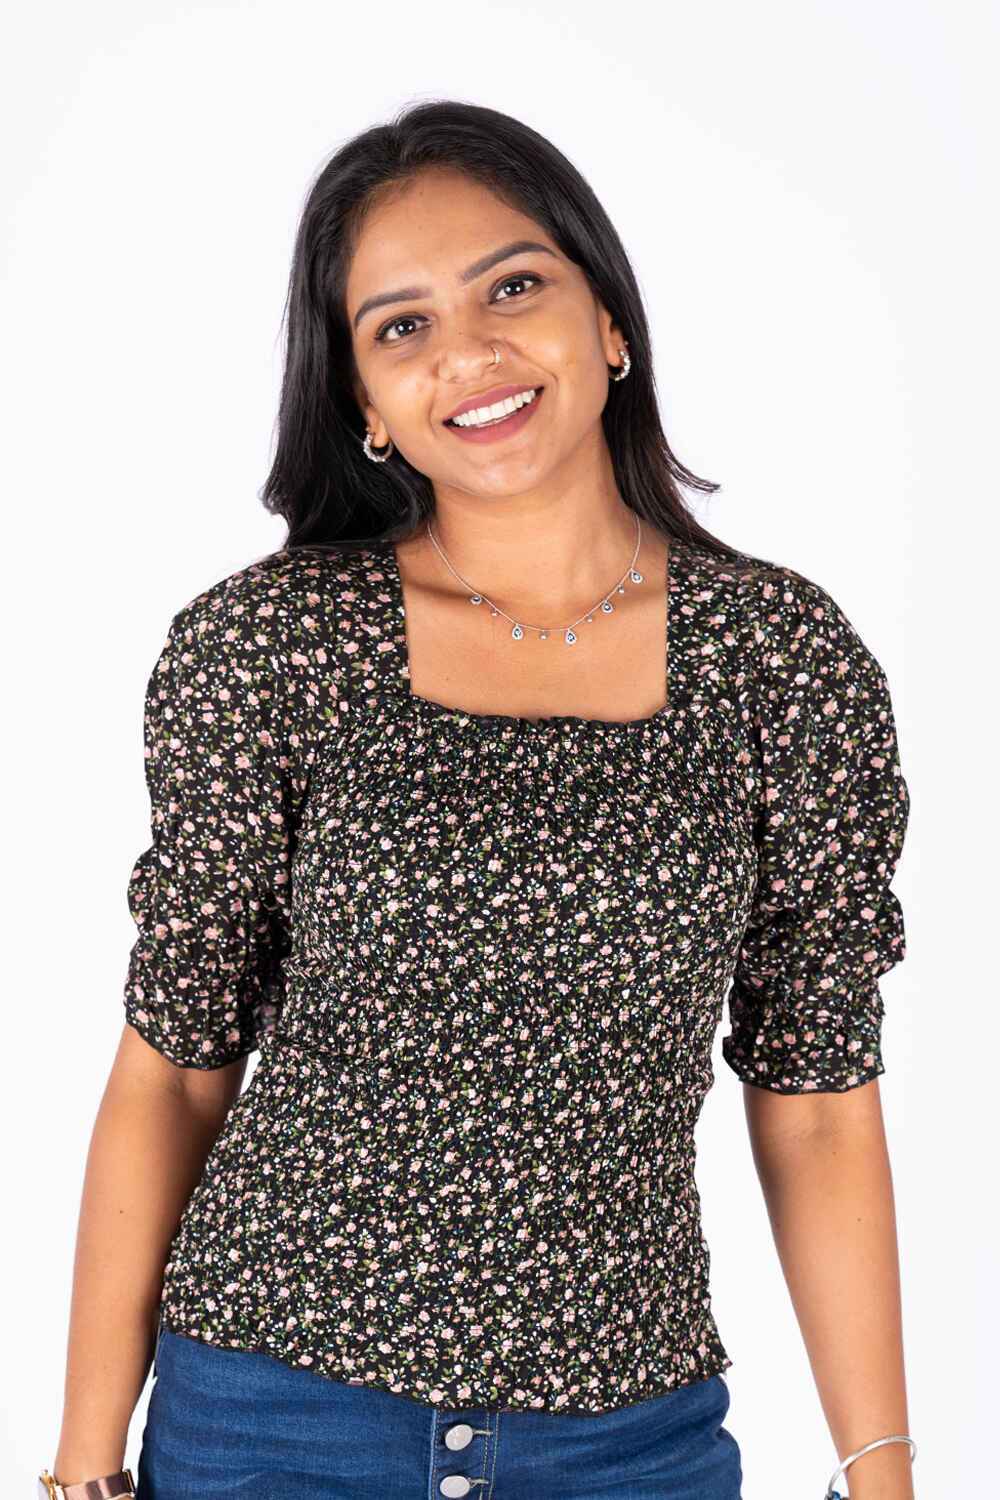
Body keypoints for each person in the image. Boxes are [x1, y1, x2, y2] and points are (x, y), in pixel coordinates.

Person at [40, 100, 916, 1500]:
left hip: (627, 1441)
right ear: (364, 404)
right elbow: (175, 1068)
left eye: (512, 288)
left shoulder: (781, 659)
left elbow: (816, 1101)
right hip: (275, 1421)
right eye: (402, 327)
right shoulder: (269, 647)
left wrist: (881, 1469)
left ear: (609, 322)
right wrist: (84, 1466)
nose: (468, 353)